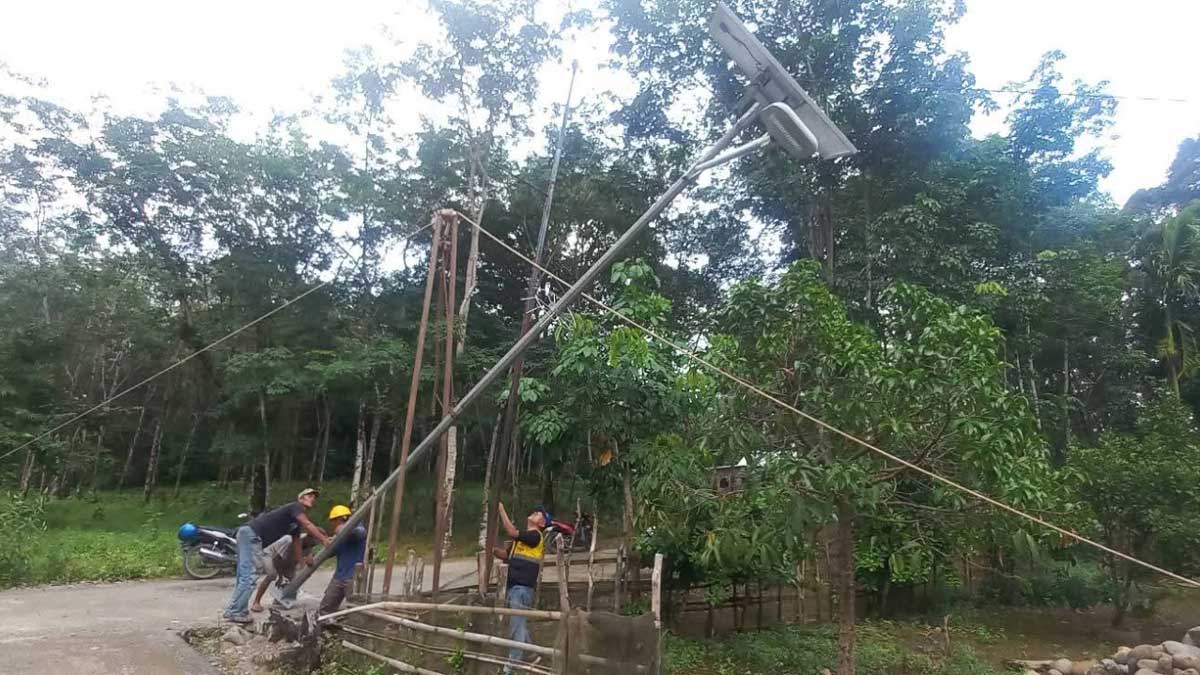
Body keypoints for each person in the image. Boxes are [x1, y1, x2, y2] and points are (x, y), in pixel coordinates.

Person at [223, 488, 330, 623]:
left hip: (250, 536)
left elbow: (297, 544)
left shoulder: (295, 523)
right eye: (309, 495)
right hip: (252, 535)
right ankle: (236, 611)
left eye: (314, 497)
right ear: (301, 498)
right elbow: (307, 524)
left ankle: (235, 610)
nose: (313, 498)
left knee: (244, 575)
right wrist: (324, 539)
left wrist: (302, 563)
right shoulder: (295, 507)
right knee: (249, 575)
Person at [491, 502, 552, 672]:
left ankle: (511, 667)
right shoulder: (521, 540)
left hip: (522, 588)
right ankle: (532, 655)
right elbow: (506, 555)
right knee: (519, 624)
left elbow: (512, 532)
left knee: (516, 626)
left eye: (539, 514)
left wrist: (501, 510)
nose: (535, 513)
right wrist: (492, 549)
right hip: (513, 587)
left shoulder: (535, 536)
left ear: (542, 523)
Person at [318, 504, 368, 616]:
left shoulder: (358, 529)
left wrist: (344, 529)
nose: (332, 524)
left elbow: (359, 533)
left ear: (341, 519)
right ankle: (326, 624)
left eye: (333, 521)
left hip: (353, 577)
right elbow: (329, 553)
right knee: (325, 609)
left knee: (356, 611)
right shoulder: (339, 536)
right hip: (339, 577)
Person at [250, 533, 315, 613]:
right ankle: (256, 602)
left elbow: (303, 561)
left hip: (287, 557)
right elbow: (278, 560)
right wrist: (280, 576)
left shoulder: (309, 543)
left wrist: (309, 559)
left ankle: (279, 599)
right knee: (272, 575)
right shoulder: (289, 540)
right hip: (271, 554)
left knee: (293, 580)